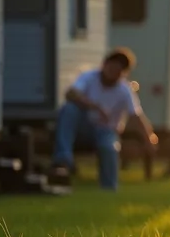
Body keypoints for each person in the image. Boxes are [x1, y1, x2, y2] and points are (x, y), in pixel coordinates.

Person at [52, 47, 158, 191]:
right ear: (104, 64)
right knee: (69, 109)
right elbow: (71, 94)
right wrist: (95, 106)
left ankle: (109, 188)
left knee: (109, 147)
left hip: (107, 130)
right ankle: (63, 159)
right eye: (111, 66)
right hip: (84, 127)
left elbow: (137, 116)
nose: (113, 71)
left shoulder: (124, 90)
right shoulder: (89, 77)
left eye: (118, 69)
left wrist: (148, 140)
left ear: (123, 73)